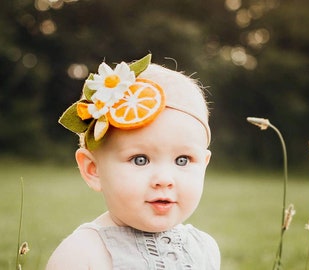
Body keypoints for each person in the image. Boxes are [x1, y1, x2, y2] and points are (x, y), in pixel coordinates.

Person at [46, 54, 220, 269]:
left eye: (183, 160)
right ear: (94, 170)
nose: (164, 179)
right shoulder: (81, 255)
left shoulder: (204, 249)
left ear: (204, 165)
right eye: (140, 160)